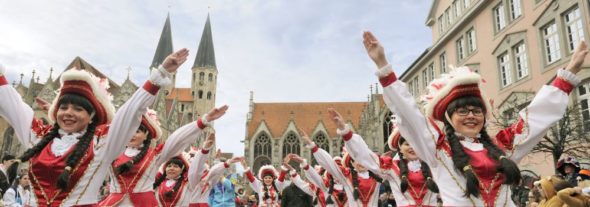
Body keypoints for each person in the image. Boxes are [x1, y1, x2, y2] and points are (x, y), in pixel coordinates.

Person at [362, 30, 588, 206]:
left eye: (476, 110)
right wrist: (384, 67)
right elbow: (408, 114)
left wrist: (568, 74)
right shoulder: (438, 149)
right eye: (462, 111)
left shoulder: (503, 147)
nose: (471, 116)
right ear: (449, 118)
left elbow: (536, 118)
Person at [0, 48, 189, 206]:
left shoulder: (102, 143)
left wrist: (160, 74)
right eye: (63, 107)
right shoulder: (38, 136)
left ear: (92, 116)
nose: (68, 113)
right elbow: (11, 104)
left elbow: (130, 111)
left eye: (78, 108)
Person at [98, 104, 228, 206]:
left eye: (136, 131)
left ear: (146, 135)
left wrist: (203, 121)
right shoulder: (112, 151)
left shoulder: (154, 156)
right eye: (128, 130)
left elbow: (176, 139)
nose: (131, 134)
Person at [337, 108, 440, 207]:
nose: (412, 147)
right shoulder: (392, 168)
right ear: (400, 148)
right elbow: (367, 157)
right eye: (407, 144)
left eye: (415, 143)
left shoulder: (435, 164)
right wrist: (346, 133)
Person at [302, 125, 383, 207]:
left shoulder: (377, 176)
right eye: (356, 160)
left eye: (364, 159)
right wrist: (313, 147)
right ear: (352, 163)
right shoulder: (347, 177)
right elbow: (330, 165)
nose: (361, 163)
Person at [188, 136, 243, 207]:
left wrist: (220, 177)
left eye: (223, 165)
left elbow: (230, 187)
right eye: (221, 165)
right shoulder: (215, 178)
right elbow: (211, 193)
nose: (222, 168)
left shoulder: (233, 175)